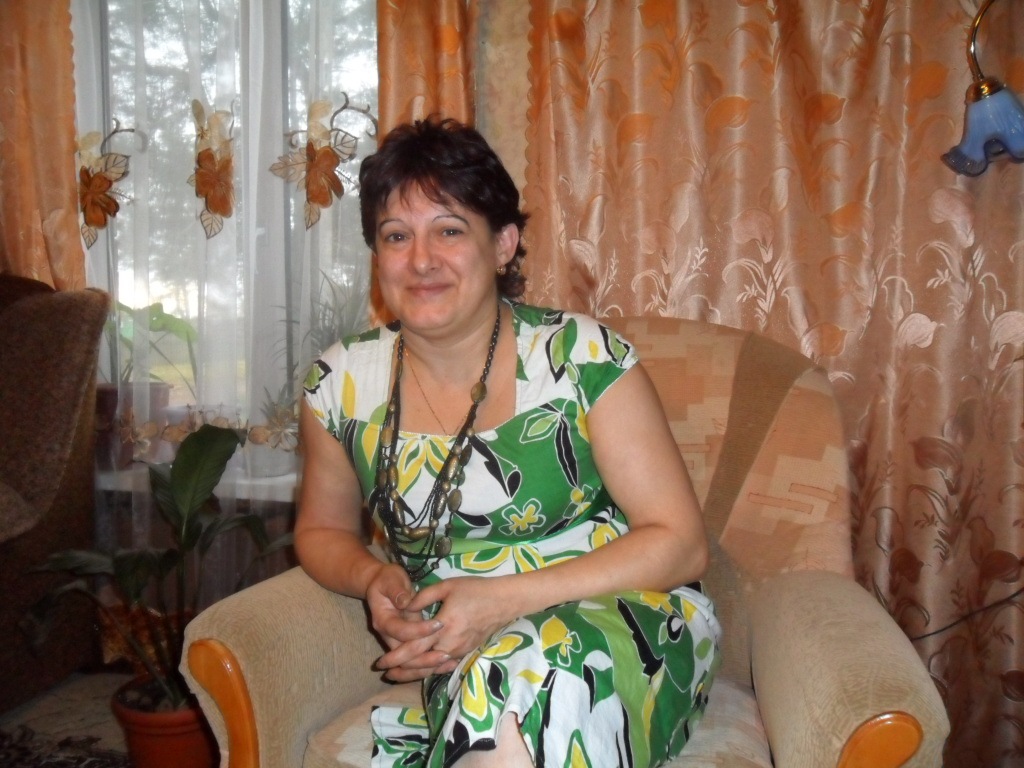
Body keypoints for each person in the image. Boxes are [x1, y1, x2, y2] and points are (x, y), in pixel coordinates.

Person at [297, 116, 721, 768]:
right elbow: (322, 531)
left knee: (524, 676)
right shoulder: (338, 386)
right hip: (469, 653)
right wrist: (373, 576)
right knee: (502, 683)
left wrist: (500, 602)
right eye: (396, 236)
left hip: (629, 619)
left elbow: (681, 543)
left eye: (449, 230)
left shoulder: (583, 358)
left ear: (502, 244)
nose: (421, 260)